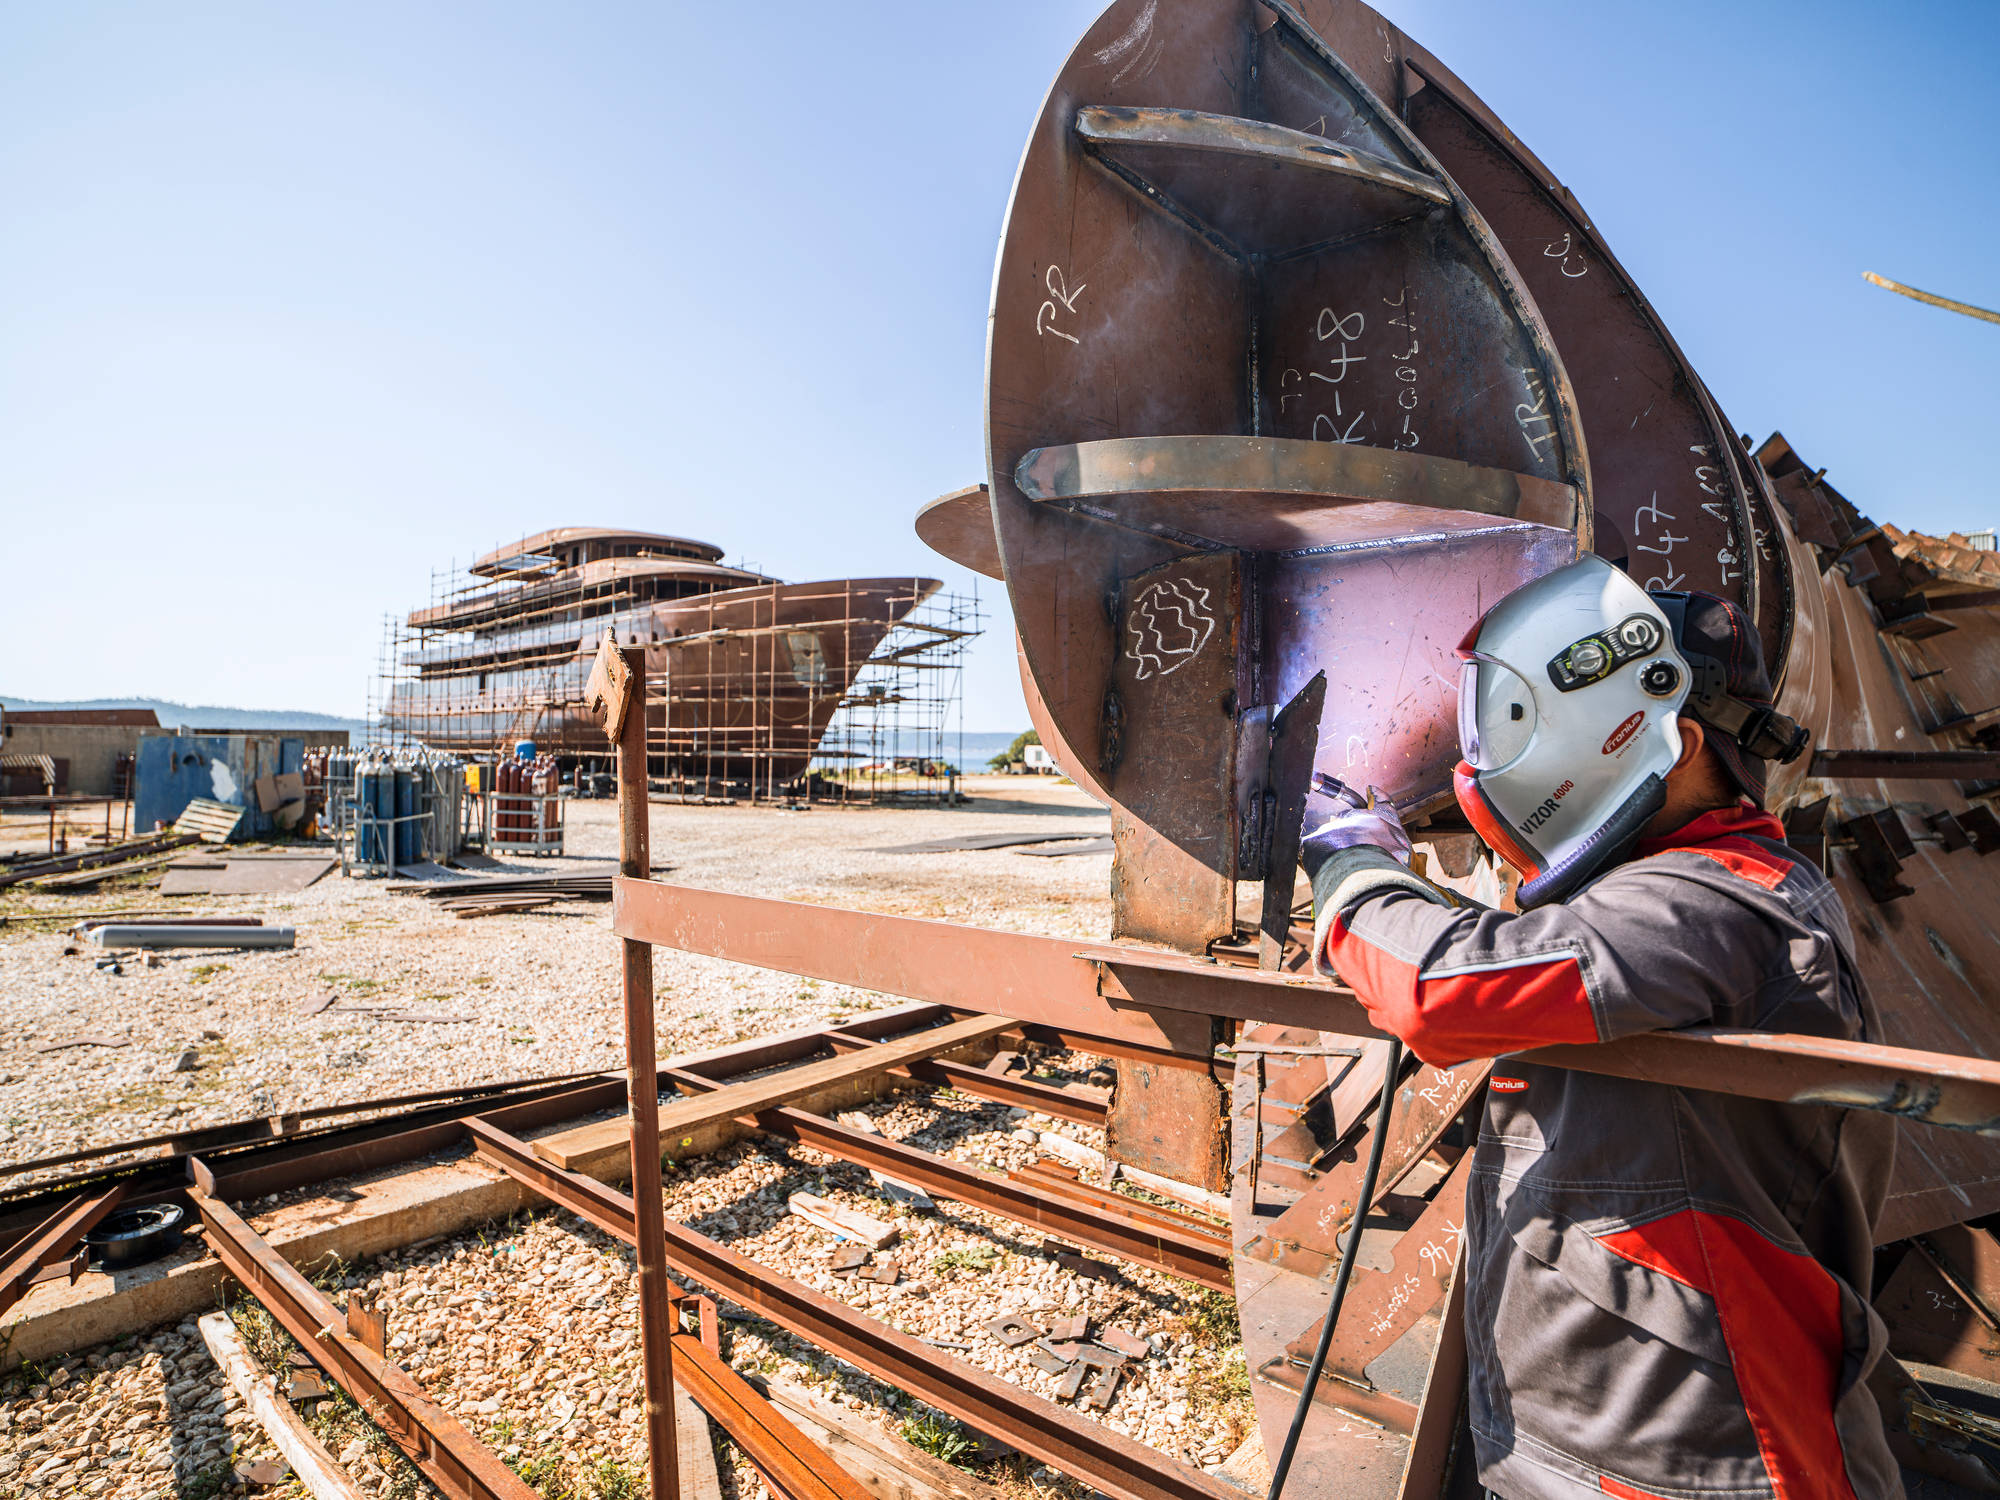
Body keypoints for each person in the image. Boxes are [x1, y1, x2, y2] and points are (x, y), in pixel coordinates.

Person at [1301, 555, 1899, 1499]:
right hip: (1602, 1446)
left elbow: (1442, 990)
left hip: (1715, 1464)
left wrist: (1354, 870)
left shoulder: (1724, 903)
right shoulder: (1679, 890)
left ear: (1663, 726)